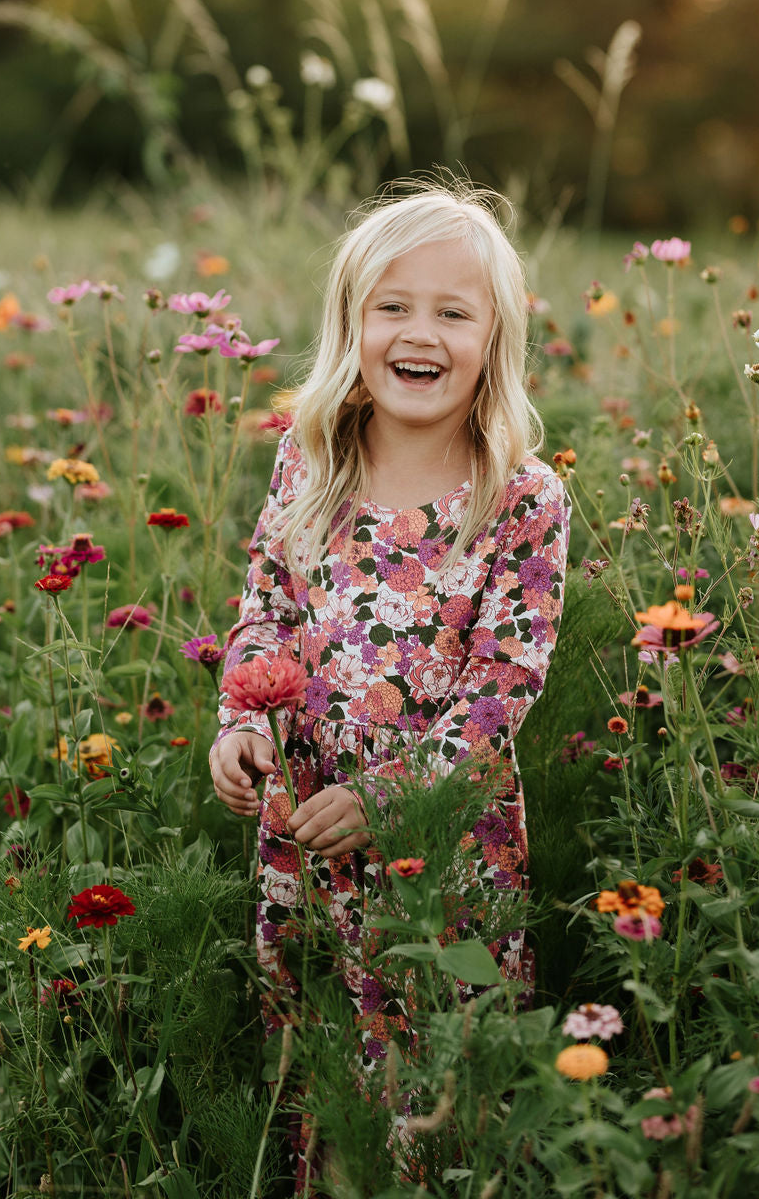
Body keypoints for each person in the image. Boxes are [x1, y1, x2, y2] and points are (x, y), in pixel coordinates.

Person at [208, 180, 570, 1085]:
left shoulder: (520, 497)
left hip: (438, 832)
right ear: (351, 325)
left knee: (432, 1062)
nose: (419, 333)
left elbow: (504, 682)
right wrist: (245, 723)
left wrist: (394, 794)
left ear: (494, 342)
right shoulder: (313, 454)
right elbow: (268, 611)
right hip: (306, 812)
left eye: (453, 312)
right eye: (393, 307)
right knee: (319, 1053)